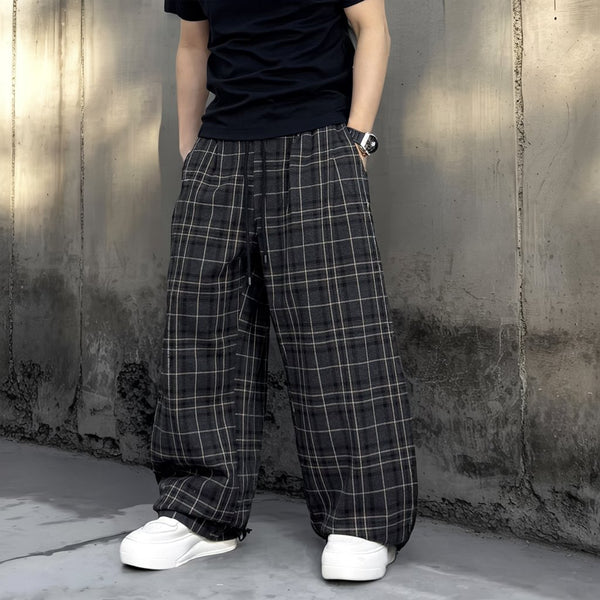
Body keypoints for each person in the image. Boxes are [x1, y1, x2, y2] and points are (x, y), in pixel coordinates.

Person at [120, 0, 417, 582]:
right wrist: (190, 148)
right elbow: (193, 44)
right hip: (220, 147)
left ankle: (363, 521)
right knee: (201, 331)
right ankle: (199, 511)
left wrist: (358, 140)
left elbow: (371, 26)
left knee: (338, 334)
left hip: (318, 143)